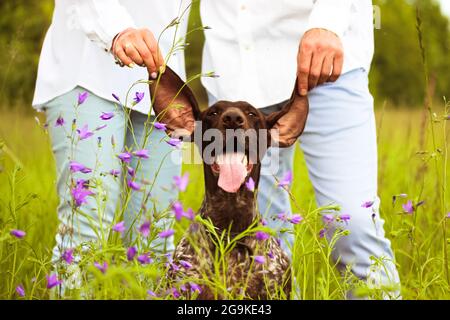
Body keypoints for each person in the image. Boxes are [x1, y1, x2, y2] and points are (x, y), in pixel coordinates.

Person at [200, 0, 400, 298]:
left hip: (328, 62)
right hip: (234, 64)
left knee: (353, 224)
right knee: (261, 243)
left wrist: (328, 21)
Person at [32, 0, 189, 271]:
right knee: (86, 234)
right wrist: (116, 30)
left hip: (164, 80)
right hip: (87, 68)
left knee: (154, 240)